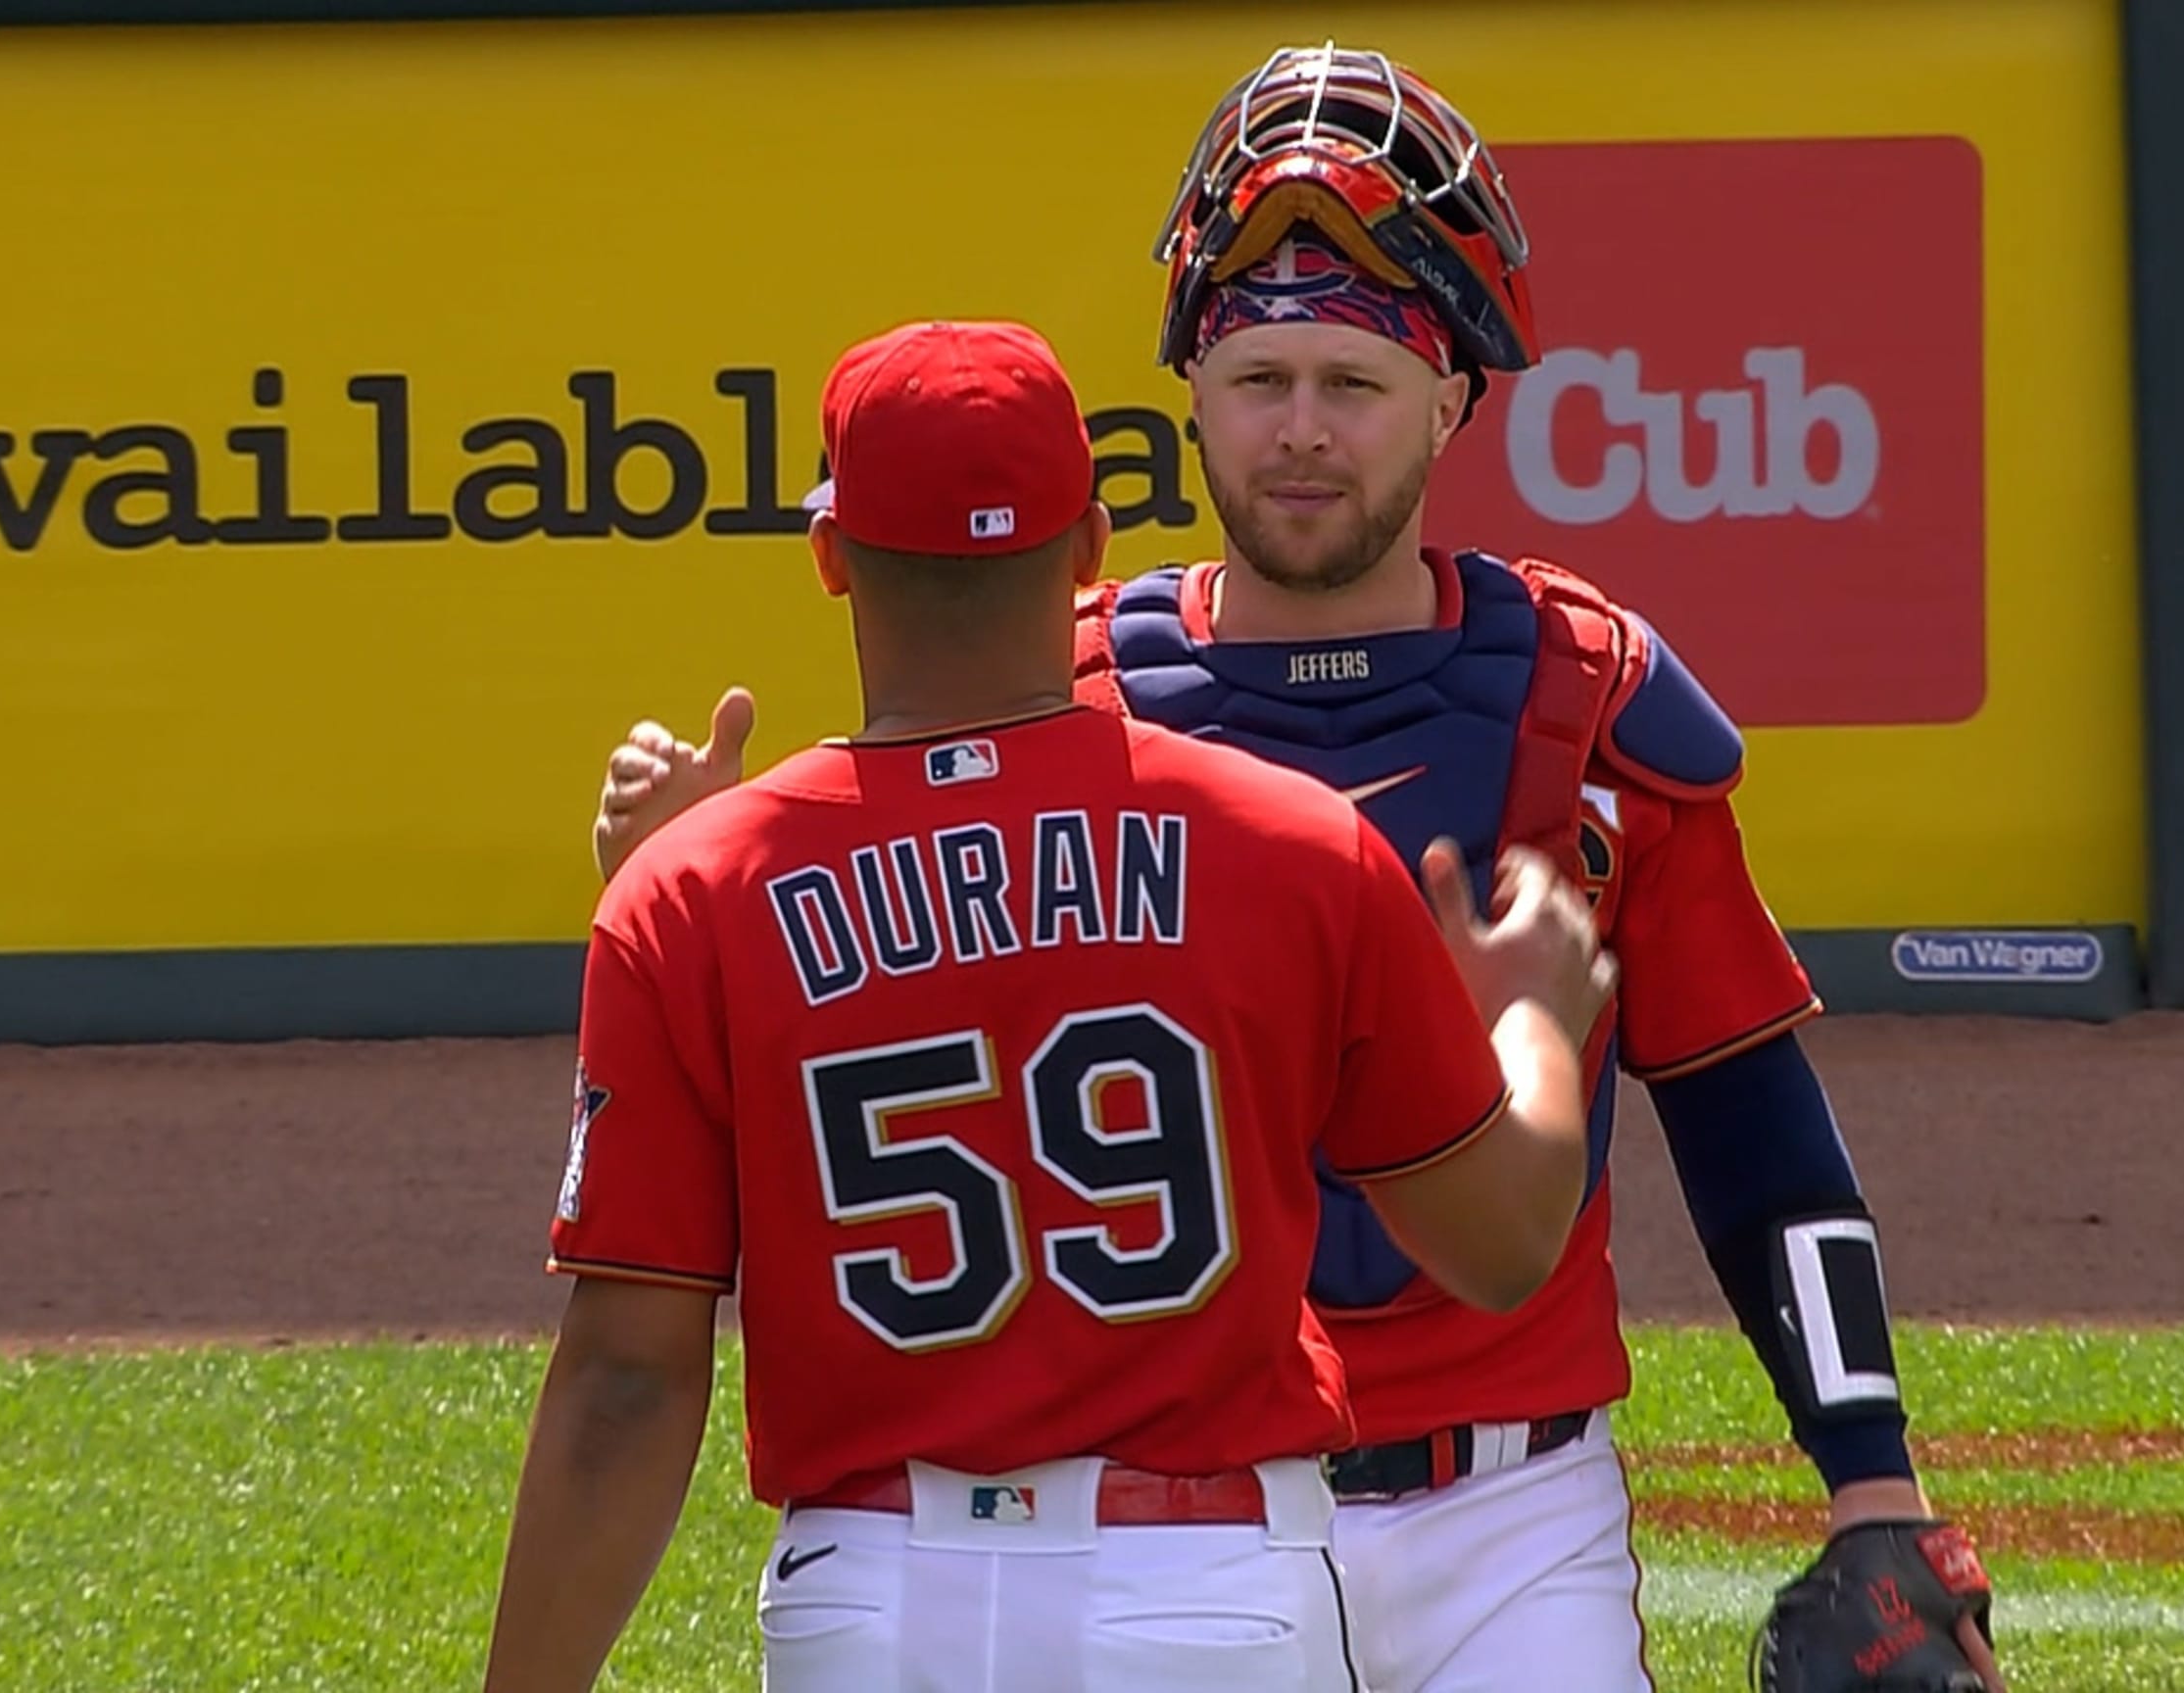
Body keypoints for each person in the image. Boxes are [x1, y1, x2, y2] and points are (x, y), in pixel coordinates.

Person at [588, 46, 2004, 1693]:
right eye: (1260, 383)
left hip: (1509, 1513)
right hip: (1162, 1524)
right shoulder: (1058, 695)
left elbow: (1752, 1123)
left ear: (1455, 396)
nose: (1303, 436)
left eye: (1353, 384)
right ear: (1189, 390)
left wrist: (1872, 1474)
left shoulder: (1588, 707)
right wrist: (678, 879)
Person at [481, 316, 1618, 1693]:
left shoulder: (697, 892)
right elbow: (1500, 1249)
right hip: (1213, 1602)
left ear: (832, 557)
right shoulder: (1297, 844)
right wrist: (1534, 1027)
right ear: (1087, 549)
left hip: (877, 1607)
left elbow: (627, 1379)